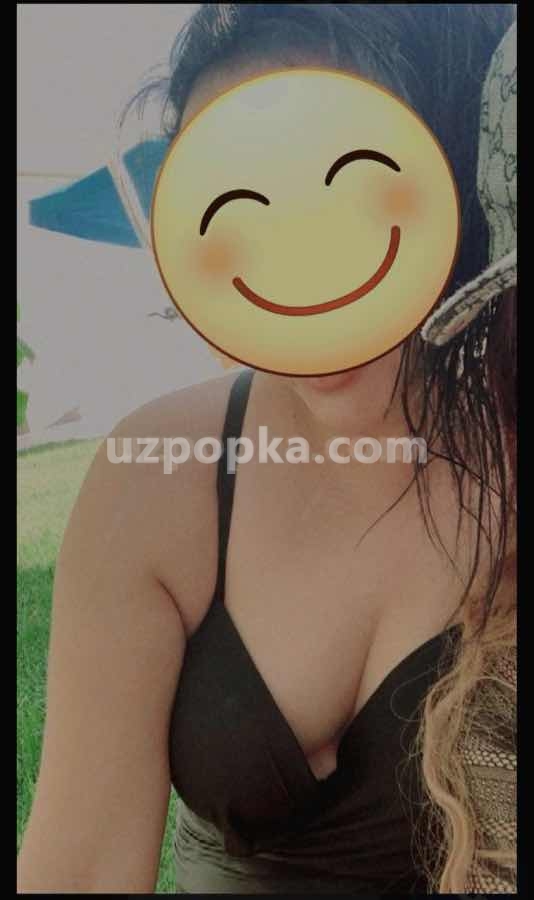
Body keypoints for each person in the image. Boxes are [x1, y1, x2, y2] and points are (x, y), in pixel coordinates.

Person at [17, 4, 516, 894]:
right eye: (244, 211)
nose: (308, 273)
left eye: (353, 197)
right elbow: (80, 868)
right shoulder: (157, 475)